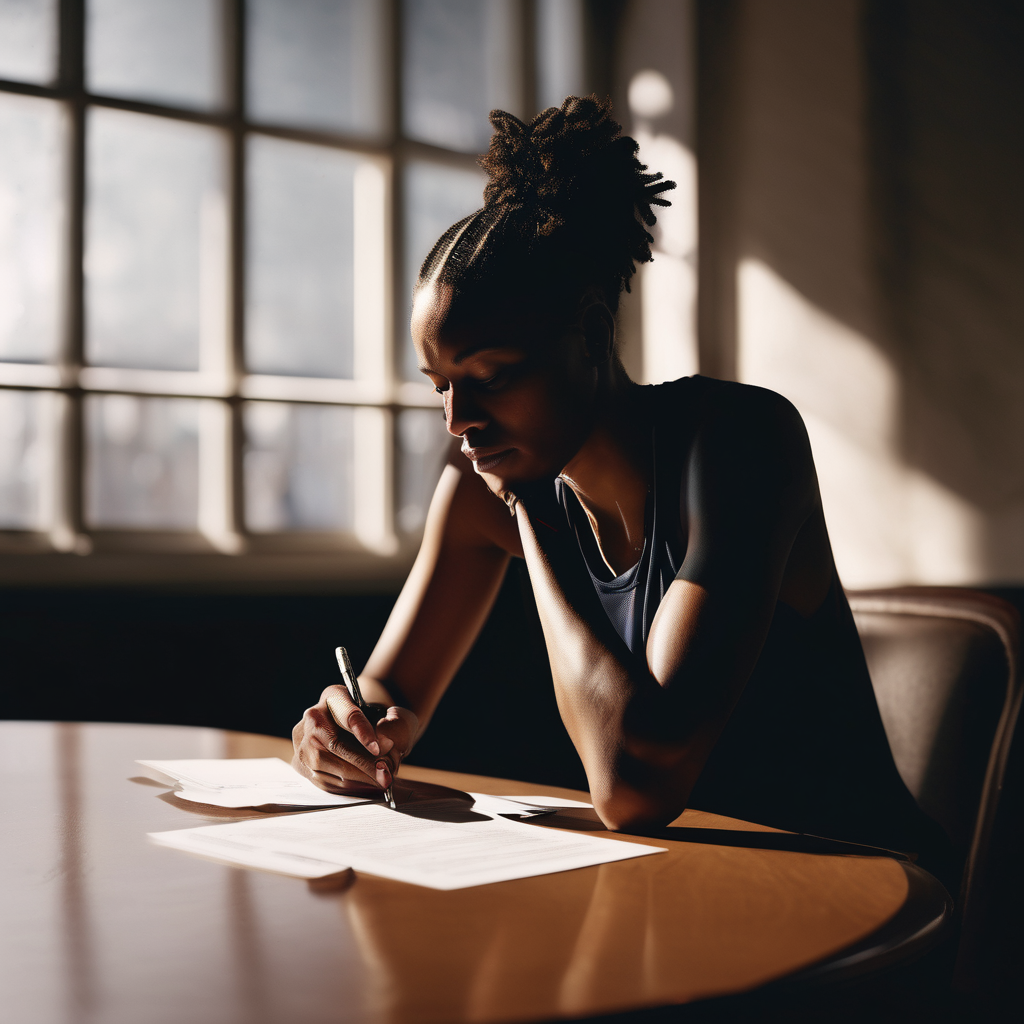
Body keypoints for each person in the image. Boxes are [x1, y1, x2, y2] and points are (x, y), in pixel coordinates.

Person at [291, 96, 951, 876]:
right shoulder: (480, 488)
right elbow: (383, 698)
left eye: (491, 377)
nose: (458, 420)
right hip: (682, 892)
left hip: (859, 891)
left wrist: (533, 509)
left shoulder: (739, 442)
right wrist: (339, 736)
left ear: (594, 333)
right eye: (440, 385)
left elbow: (634, 783)